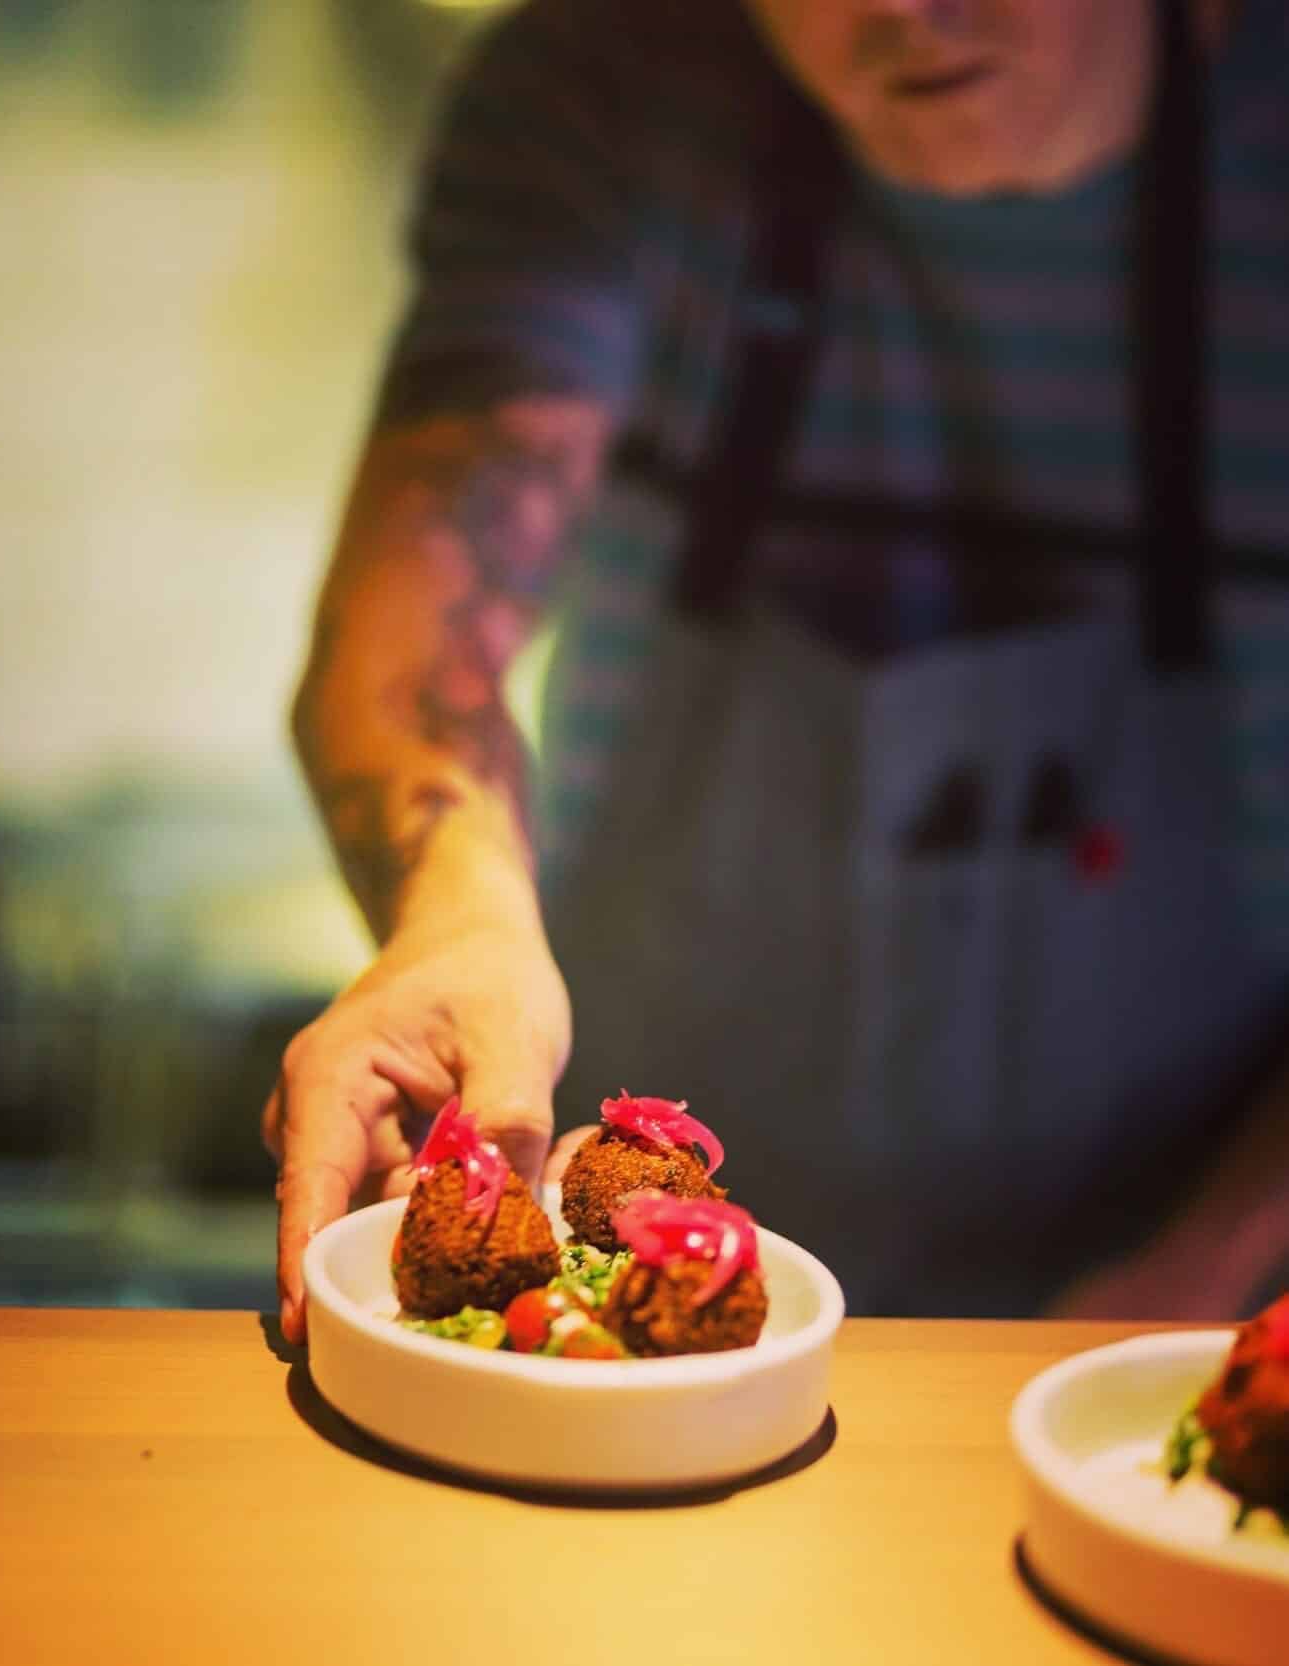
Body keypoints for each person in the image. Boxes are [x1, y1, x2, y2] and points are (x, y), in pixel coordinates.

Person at [265, 0, 1289, 1344]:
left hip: (1178, 1289)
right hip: (626, 1286)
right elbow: (414, 626)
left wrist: (1200, 1280)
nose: (903, 14)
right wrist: (455, 914)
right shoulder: (613, 87)